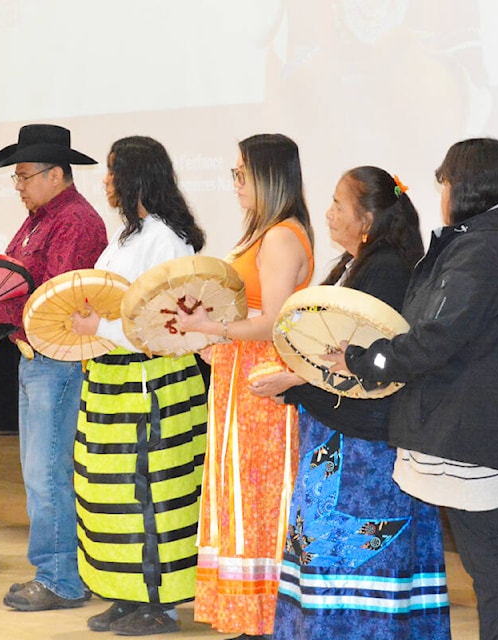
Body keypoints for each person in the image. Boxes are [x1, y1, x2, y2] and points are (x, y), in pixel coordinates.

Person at [333, 139, 498, 640]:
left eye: (446, 183)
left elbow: (435, 337)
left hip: (472, 432)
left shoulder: (486, 249)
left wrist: (360, 360)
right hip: (479, 429)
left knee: (494, 567)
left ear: (465, 186)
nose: (443, 194)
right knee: (497, 564)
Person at [250, 167, 450, 638]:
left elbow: (363, 375)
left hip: (361, 457)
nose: (328, 213)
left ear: (367, 219)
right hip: (340, 444)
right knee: (324, 559)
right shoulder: (358, 264)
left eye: (339, 205)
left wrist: (295, 384)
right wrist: (296, 381)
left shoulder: (386, 271)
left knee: (350, 563)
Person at [69, 136, 208, 635]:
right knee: (114, 495)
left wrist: (98, 330)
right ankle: (128, 592)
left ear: (135, 178)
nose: (105, 181)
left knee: (153, 493)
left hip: (153, 387)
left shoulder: (167, 240)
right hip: (113, 383)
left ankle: (160, 603)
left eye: (111, 171)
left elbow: (168, 325)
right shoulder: (127, 236)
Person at [0, 124, 108, 610]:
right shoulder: (40, 218)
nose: (19, 186)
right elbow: (11, 273)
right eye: (17, 178)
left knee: (47, 472)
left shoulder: (75, 222)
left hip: (59, 359)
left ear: (56, 174)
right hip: (35, 358)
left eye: (24, 176)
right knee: (42, 472)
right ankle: (60, 571)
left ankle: (60, 579)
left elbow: (54, 299)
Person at [176, 134, 313, 639]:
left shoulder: (280, 235)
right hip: (239, 372)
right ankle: (249, 617)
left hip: (262, 378)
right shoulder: (268, 231)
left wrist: (212, 329)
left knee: (259, 492)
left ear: (269, 175)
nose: (235, 183)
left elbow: (274, 320)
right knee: (239, 490)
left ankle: (267, 616)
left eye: (241, 173)